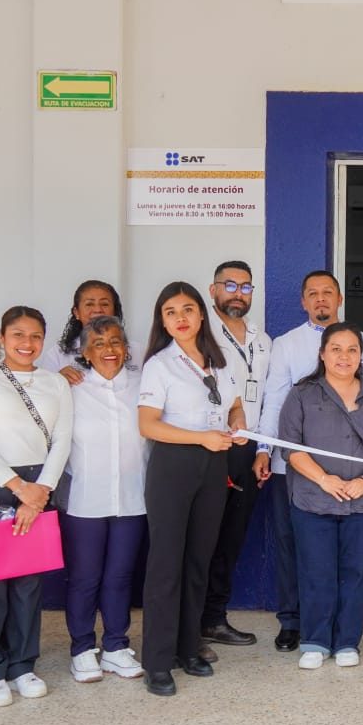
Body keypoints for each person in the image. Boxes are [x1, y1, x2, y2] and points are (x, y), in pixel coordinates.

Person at [0, 306, 72, 707]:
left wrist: (41, 490)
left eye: (35, 336)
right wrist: (17, 486)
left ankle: (23, 665)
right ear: (1, 337)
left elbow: (63, 440)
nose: (27, 343)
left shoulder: (56, 383)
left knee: (28, 583)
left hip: (39, 486)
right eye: (18, 334)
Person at [255, 269, 363, 652]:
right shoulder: (287, 344)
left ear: (340, 298)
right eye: (313, 293)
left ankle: (338, 626)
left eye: (328, 292)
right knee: (293, 545)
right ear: (303, 301)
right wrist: (263, 449)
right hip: (293, 465)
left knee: (345, 553)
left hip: (352, 467)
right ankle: (293, 621)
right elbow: (274, 398)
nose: (321, 299)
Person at [138, 281, 246, 696]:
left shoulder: (218, 361)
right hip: (174, 466)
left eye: (187, 309)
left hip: (214, 466)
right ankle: (158, 661)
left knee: (199, 561)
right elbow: (148, 425)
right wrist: (202, 438)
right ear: (163, 322)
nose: (180, 318)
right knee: (167, 564)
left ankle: (188, 649)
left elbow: (234, 404)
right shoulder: (160, 365)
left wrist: (237, 423)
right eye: (171, 312)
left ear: (202, 314)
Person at [277, 322, 363, 669]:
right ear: (322, 354)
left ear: (361, 356)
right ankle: (315, 641)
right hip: (313, 500)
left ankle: (347, 641)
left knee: (355, 573)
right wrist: (324, 479)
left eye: (352, 350)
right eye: (336, 349)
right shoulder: (302, 394)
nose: (344, 357)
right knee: (316, 572)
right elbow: (290, 447)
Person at [62, 315, 147, 683]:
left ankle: (115, 646)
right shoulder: (70, 389)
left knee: (120, 575)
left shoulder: (143, 386)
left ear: (125, 348)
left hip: (133, 498)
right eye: (98, 343)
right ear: (85, 352)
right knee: (85, 577)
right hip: (85, 499)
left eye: (115, 341)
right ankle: (82, 648)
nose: (108, 349)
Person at [200, 261, 271, 651]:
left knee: (230, 539)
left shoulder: (262, 339)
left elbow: (270, 398)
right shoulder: (199, 333)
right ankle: (189, 623)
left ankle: (214, 619)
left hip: (248, 452)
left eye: (245, 287)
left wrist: (264, 449)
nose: (238, 293)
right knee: (202, 539)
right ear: (213, 290)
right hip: (211, 449)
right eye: (230, 285)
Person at [43, 279, 133, 384]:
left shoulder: (138, 351)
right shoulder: (57, 354)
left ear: (114, 311)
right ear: (76, 312)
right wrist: (58, 379)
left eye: (104, 304)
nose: (97, 310)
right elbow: (45, 389)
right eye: (89, 304)